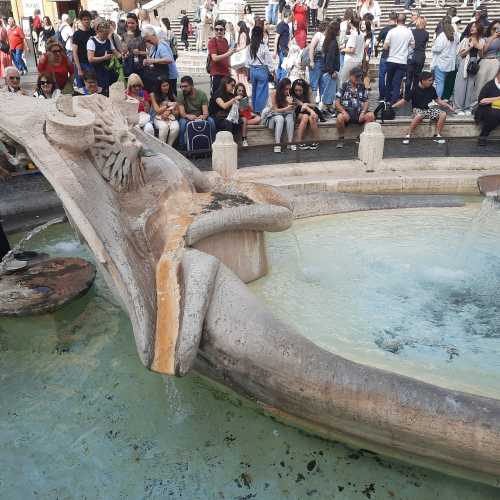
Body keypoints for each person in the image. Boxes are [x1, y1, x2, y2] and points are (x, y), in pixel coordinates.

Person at [392, 71, 454, 144]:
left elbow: (438, 101)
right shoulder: (414, 89)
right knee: (420, 115)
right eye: (429, 80)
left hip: (427, 109)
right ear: (423, 81)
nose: (431, 82)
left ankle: (437, 135)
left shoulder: (432, 89)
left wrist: (448, 106)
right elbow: (404, 101)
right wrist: (392, 106)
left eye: (432, 80)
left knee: (443, 114)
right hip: (417, 110)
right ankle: (408, 135)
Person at [335, 67, 375, 149]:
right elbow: (337, 102)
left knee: (371, 116)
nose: (358, 78)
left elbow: (366, 101)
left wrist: (363, 112)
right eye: (356, 76)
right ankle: (341, 138)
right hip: (347, 113)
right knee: (339, 118)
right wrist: (343, 112)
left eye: (359, 76)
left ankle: (361, 137)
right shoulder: (344, 85)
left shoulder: (362, 86)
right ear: (350, 76)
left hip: (359, 113)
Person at [177, 75, 216, 149]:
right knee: (182, 124)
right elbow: (182, 113)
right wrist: (188, 116)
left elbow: (205, 112)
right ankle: (182, 146)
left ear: (192, 85)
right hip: (186, 117)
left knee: (211, 122)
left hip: (199, 116)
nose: (183, 89)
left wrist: (203, 117)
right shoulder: (181, 95)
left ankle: (213, 143)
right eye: (181, 86)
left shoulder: (202, 94)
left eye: (185, 86)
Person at [383, 13, 415, 104]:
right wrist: (406, 52)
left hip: (392, 59)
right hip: (402, 61)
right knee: (397, 83)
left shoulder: (392, 31)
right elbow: (413, 45)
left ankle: (387, 100)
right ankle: (394, 102)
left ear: (396, 20)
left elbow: (385, 46)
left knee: (389, 81)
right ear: (405, 21)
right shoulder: (409, 32)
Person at [454, 22, 484, 115]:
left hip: (474, 63)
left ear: (479, 28)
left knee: (471, 86)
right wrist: (470, 47)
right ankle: (458, 108)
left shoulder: (482, 40)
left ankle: (468, 107)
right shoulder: (466, 39)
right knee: (461, 85)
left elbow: (482, 55)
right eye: (471, 26)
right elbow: (461, 54)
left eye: (474, 27)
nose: (472, 28)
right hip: (465, 62)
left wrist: (479, 48)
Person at [87, 20, 121, 96]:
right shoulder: (91, 42)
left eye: (107, 33)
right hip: (97, 73)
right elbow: (90, 59)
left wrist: (123, 56)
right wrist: (104, 58)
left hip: (108, 73)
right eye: (105, 34)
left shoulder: (108, 41)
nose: (106, 36)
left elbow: (116, 52)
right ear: (99, 32)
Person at [209, 76, 246, 142]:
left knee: (239, 121)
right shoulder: (217, 94)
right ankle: (229, 143)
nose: (233, 88)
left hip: (226, 116)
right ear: (226, 84)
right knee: (228, 123)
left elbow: (240, 109)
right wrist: (234, 99)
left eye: (234, 86)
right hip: (217, 117)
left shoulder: (230, 95)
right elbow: (223, 106)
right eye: (232, 85)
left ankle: (237, 142)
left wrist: (242, 102)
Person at [142, 26, 178, 95]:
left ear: (154, 35)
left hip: (169, 77)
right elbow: (152, 58)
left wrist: (153, 61)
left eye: (149, 40)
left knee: (171, 96)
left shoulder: (162, 46)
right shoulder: (154, 46)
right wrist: (148, 61)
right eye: (147, 41)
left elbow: (169, 59)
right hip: (162, 76)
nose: (149, 42)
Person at [246, 25, 273, 114]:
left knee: (254, 91)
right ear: (261, 35)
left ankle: (254, 109)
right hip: (262, 70)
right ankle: (259, 110)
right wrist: (272, 71)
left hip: (252, 70)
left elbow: (247, 63)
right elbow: (269, 61)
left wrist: (248, 74)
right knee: (261, 92)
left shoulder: (249, 47)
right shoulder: (263, 46)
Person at [431, 17, 459, 99]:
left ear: (442, 24)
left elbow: (437, 49)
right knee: (446, 82)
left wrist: (433, 47)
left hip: (441, 62)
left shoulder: (442, 36)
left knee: (439, 82)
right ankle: (445, 98)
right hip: (450, 63)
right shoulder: (455, 35)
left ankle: (437, 99)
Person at [474, 20, 500, 107]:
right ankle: (477, 102)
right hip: (484, 61)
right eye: (494, 28)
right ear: (490, 28)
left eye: (498, 28)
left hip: (495, 62)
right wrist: (493, 37)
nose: (496, 30)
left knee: (491, 82)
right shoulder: (485, 39)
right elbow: (484, 51)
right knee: (480, 81)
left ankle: (488, 102)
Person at [149, 77, 180, 146]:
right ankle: (162, 147)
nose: (166, 88)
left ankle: (169, 146)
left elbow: (177, 112)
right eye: (164, 86)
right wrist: (167, 105)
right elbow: (157, 111)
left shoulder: (172, 94)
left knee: (175, 127)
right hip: (157, 117)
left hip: (170, 117)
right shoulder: (153, 95)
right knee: (164, 127)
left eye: (167, 85)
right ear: (159, 87)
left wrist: (171, 111)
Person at [268, 78, 295, 152]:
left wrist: (289, 103)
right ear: (281, 88)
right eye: (286, 89)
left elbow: (291, 110)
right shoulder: (274, 93)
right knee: (280, 119)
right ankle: (277, 144)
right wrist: (287, 107)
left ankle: (290, 142)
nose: (287, 91)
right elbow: (275, 110)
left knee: (289, 117)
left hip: (284, 113)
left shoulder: (288, 95)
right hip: (273, 114)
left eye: (289, 89)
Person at [291, 78, 320, 149]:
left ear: (304, 88)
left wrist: (307, 104)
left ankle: (316, 141)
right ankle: (299, 141)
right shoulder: (292, 93)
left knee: (312, 117)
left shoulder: (308, 90)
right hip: (298, 111)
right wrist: (311, 111)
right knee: (306, 117)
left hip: (309, 110)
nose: (298, 92)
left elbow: (314, 105)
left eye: (300, 90)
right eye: (296, 90)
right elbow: (300, 104)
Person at [208, 21, 235, 94]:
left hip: (226, 74)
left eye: (221, 29)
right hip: (216, 74)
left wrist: (230, 68)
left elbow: (226, 57)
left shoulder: (225, 41)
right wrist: (228, 53)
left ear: (224, 31)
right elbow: (214, 58)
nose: (218, 31)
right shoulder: (212, 41)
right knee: (215, 97)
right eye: (216, 29)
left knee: (225, 96)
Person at [376, 11, 397, 103]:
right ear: (396, 20)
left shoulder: (384, 29)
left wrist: (376, 50)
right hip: (395, 56)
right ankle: (391, 94)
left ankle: (382, 95)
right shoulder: (398, 30)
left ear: (389, 19)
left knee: (381, 76)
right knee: (392, 76)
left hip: (385, 55)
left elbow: (377, 42)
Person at [475, 67, 500, 145]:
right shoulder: (490, 85)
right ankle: (483, 136)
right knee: (495, 114)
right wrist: (498, 98)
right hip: (486, 109)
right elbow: (481, 101)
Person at [405, 16, 428, 99]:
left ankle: (406, 95)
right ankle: (414, 94)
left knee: (409, 76)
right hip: (420, 56)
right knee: (417, 77)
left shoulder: (412, 32)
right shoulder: (426, 33)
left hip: (411, 55)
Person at [321, 21, 341, 117]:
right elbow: (330, 58)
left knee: (330, 90)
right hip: (330, 71)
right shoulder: (333, 43)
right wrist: (332, 71)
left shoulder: (329, 41)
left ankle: (328, 108)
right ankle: (325, 109)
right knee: (329, 91)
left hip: (328, 70)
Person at [72, 11, 95, 90]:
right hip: (81, 63)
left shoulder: (94, 32)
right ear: (81, 21)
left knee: (92, 87)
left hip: (92, 64)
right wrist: (79, 68)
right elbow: (74, 52)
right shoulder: (77, 34)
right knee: (81, 88)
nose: (86, 21)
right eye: (84, 19)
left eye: (88, 19)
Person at [339, 16, 365, 85]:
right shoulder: (362, 34)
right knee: (355, 82)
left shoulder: (354, 34)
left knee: (344, 80)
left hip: (350, 60)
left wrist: (342, 49)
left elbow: (352, 50)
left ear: (351, 24)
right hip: (358, 60)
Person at [121, 13, 146, 79]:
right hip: (128, 66)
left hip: (141, 67)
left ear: (137, 23)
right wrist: (124, 54)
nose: (130, 25)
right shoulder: (124, 35)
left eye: (132, 23)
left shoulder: (142, 35)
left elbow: (149, 53)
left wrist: (139, 52)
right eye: (128, 23)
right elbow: (122, 51)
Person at [309, 21, 327, 103]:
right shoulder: (318, 35)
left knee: (322, 82)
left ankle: (321, 103)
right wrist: (312, 61)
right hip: (317, 60)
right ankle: (312, 102)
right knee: (314, 82)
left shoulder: (326, 36)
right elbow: (312, 47)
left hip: (323, 60)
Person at [275, 13, 291, 82]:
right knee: (284, 66)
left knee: (281, 65)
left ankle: (278, 80)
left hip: (285, 47)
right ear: (288, 16)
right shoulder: (281, 25)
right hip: (282, 48)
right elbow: (276, 38)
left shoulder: (287, 25)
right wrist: (275, 51)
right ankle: (281, 82)